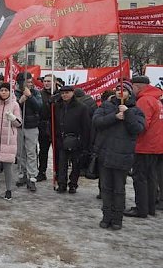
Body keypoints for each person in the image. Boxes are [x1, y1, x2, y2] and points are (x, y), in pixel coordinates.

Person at [93, 81, 145, 229]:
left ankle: (117, 219)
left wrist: (127, 113)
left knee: (119, 189)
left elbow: (138, 129)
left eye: (124, 90)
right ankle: (106, 216)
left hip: (123, 156)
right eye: (117, 89)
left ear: (130, 93)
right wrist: (114, 117)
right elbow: (96, 122)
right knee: (106, 189)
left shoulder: (136, 110)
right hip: (105, 154)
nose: (119, 92)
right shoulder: (106, 106)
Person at [124, 76, 163, 218]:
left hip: (144, 145)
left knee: (140, 177)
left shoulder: (144, 100)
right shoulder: (156, 99)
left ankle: (141, 208)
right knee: (151, 177)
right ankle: (150, 207)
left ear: (137, 87)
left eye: (132, 87)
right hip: (156, 145)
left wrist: (127, 115)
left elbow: (141, 125)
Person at [52, 85, 91, 194]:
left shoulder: (81, 107)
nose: (64, 95)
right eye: (62, 93)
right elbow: (52, 119)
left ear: (72, 93)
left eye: (67, 93)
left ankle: (73, 184)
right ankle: (61, 183)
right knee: (62, 163)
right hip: (61, 138)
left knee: (76, 164)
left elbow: (86, 126)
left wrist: (84, 141)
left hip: (76, 139)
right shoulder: (57, 106)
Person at [14, 72, 42, 191]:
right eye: (27, 82)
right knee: (20, 153)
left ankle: (32, 177)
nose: (30, 84)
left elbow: (39, 107)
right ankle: (23, 174)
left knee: (31, 152)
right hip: (19, 126)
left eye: (31, 82)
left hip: (32, 126)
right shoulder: (14, 93)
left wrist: (30, 97)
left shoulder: (35, 92)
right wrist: (20, 101)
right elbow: (12, 109)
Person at [37, 74, 58, 182]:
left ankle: (58, 173)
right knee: (43, 151)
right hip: (44, 126)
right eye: (45, 81)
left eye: (49, 81)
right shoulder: (40, 94)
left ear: (54, 82)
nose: (46, 83)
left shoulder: (59, 94)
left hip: (56, 126)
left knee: (57, 152)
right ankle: (42, 172)